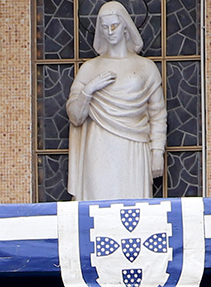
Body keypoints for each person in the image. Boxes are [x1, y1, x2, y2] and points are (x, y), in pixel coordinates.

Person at [64, 0, 165, 202]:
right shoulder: (90, 69)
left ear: (125, 27)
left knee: (133, 205)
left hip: (134, 147)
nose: (110, 31)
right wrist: (89, 89)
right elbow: (75, 116)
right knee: (97, 204)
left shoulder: (146, 67)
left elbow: (158, 114)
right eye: (104, 27)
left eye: (114, 25)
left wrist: (157, 152)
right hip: (98, 147)